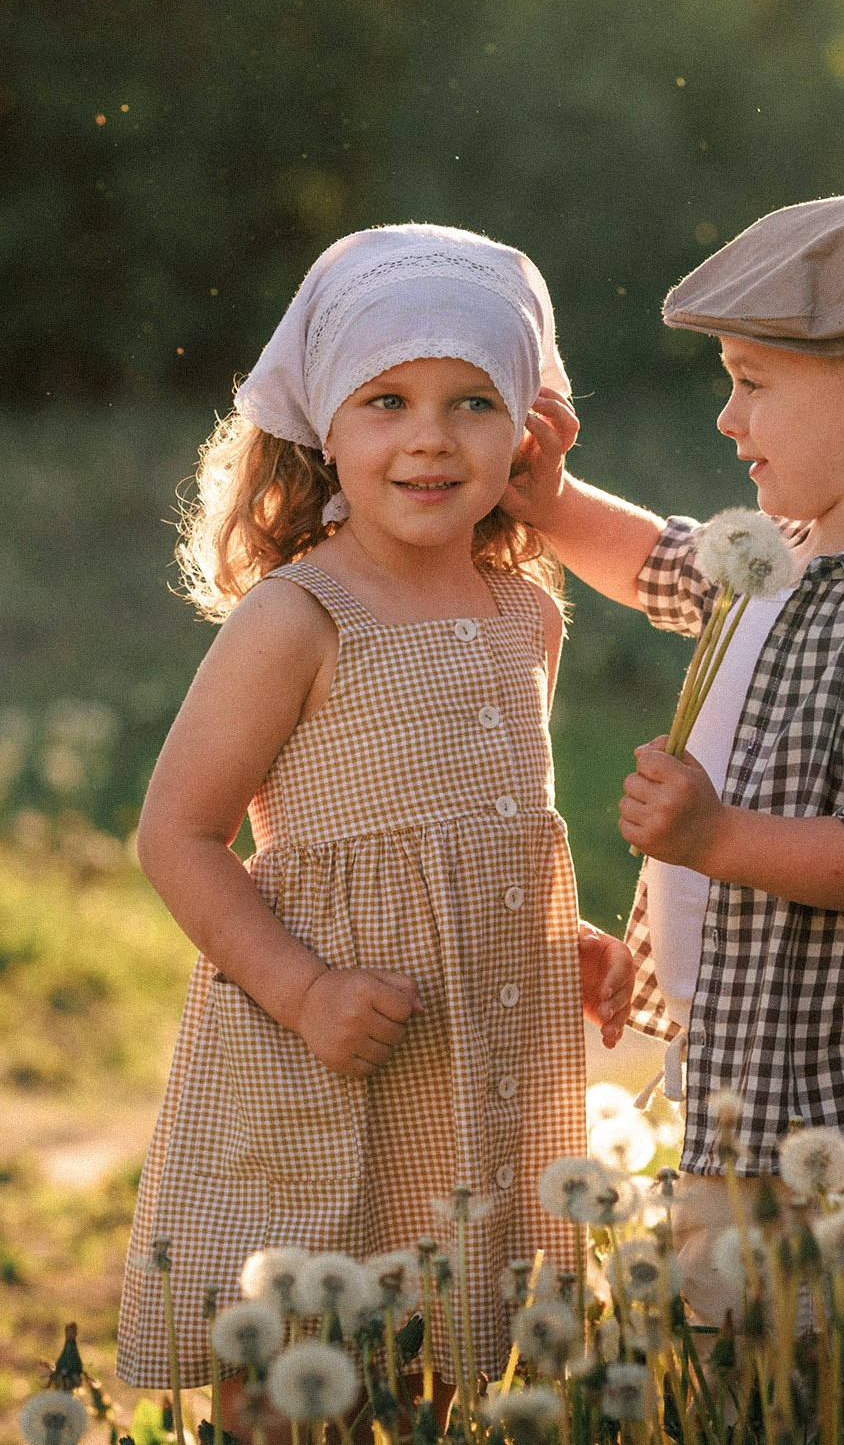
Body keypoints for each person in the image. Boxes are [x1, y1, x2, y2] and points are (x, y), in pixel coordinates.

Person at [116, 224, 635, 1416]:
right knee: (297, 1360)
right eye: (388, 399)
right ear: (323, 431)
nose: (430, 437)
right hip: (323, 1046)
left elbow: (491, 829)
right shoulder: (297, 619)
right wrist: (300, 988)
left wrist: (567, 943)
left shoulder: (525, 618)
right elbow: (177, 835)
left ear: (528, 432)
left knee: (445, 1360)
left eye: (472, 403)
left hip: (473, 1062)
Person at [504, 191, 844, 1326]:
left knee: (823, 1365)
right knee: (727, 1345)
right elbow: (660, 565)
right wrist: (554, 502)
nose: (729, 421)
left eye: (754, 384)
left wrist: (715, 838)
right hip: (735, 1076)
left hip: (840, 1112)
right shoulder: (775, 557)